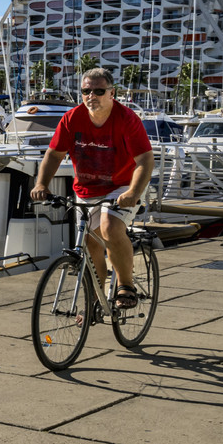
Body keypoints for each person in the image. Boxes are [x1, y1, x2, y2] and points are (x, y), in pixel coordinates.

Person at [30, 68, 154, 309]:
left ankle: (126, 286)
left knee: (109, 227)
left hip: (122, 185)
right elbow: (54, 154)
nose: (91, 96)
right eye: (86, 91)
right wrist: (41, 184)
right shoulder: (72, 118)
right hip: (87, 188)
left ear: (111, 93)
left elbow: (145, 161)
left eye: (99, 91)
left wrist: (133, 193)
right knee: (88, 242)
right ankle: (96, 301)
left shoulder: (126, 119)